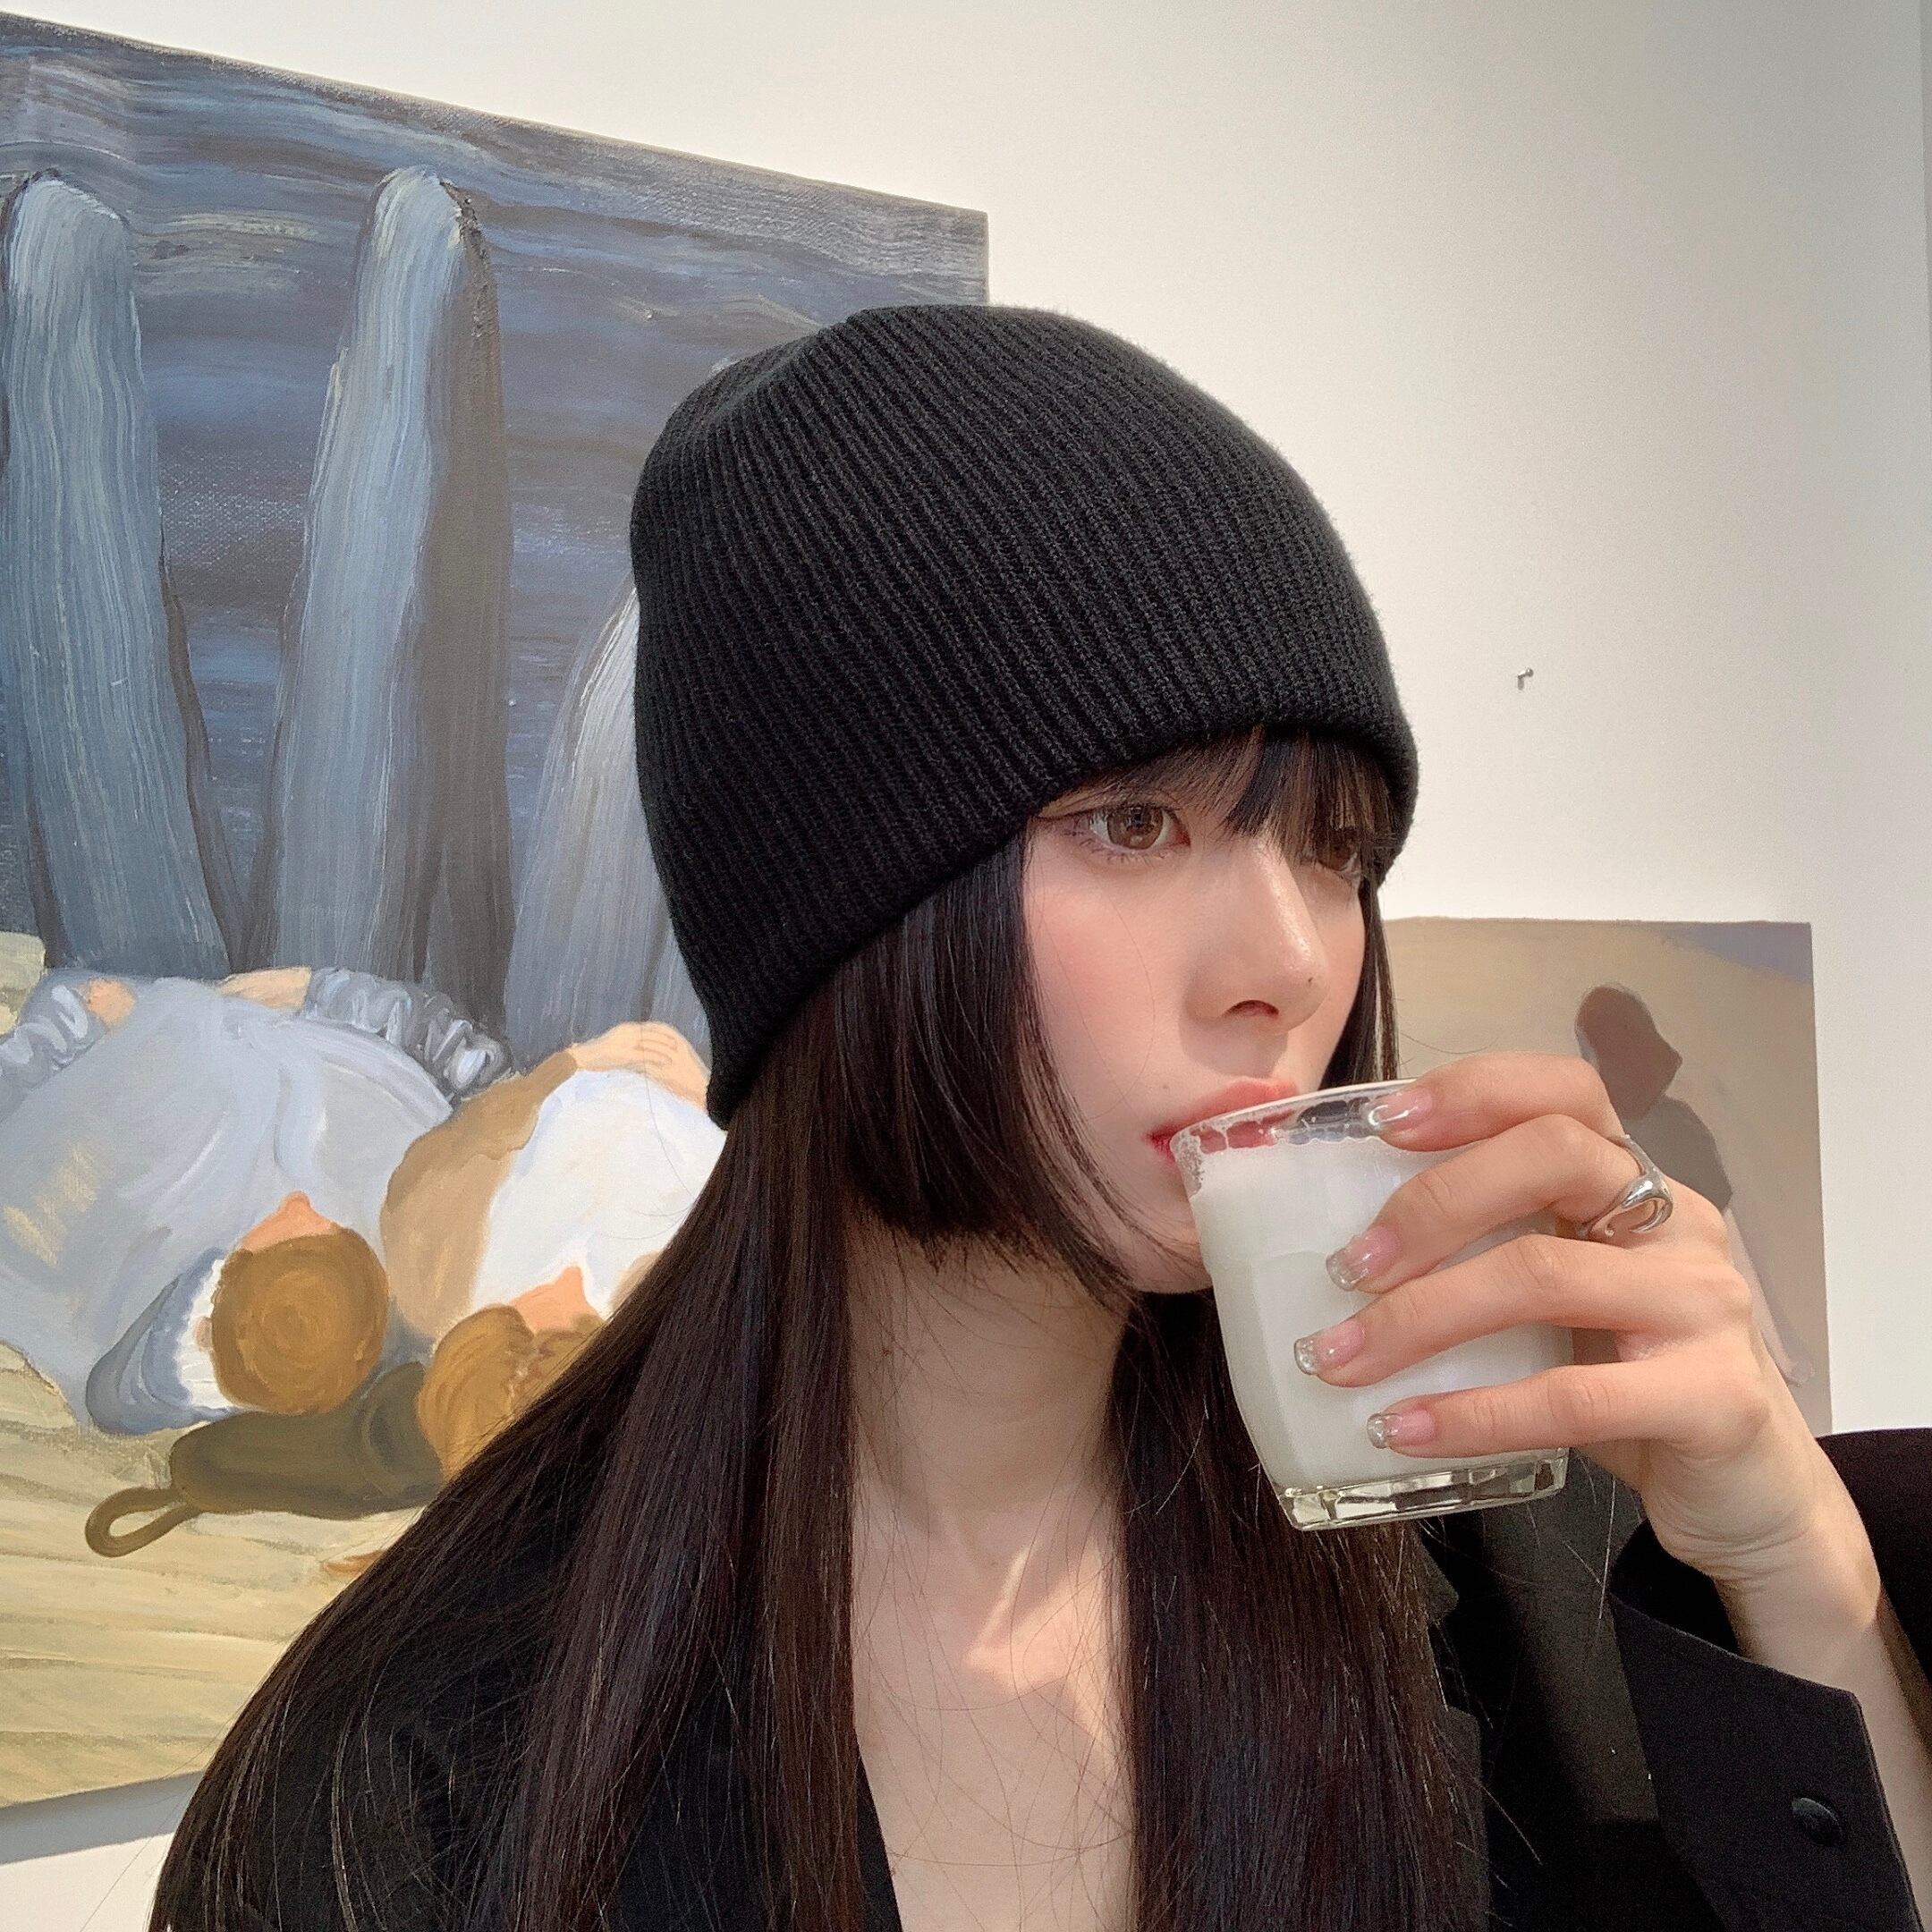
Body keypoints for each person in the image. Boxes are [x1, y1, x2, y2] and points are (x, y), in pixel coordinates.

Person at [148, 302, 1931, 1932]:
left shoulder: (1484, 1540)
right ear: (843, 922)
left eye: (1334, 847)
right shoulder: (420, 1776)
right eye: (1133, 825)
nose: (1291, 962)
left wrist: (1791, 1561)